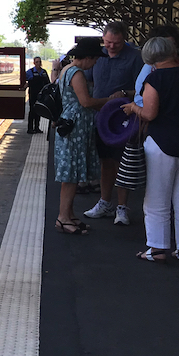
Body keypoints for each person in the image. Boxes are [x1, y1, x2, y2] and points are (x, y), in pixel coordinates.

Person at [121, 37, 179, 262]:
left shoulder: (155, 78)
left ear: (150, 58)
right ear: (173, 52)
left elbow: (150, 113)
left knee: (157, 199)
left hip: (162, 144)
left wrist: (134, 107)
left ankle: (158, 248)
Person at [54, 38, 118, 234]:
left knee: (71, 174)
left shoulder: (66, 70)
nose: (96, 63)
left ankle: (70, 214)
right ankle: (63, 217)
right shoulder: (77, 74)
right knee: (72, 175)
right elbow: (86, 102)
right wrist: (110, 100)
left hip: (71, 124)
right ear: (88, 57)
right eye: (96, 59)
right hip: (77, 128)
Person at [84, 22, 144, 226]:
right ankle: (105, 202)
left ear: (124, 40)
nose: (111, 47)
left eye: (116, 43)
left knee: (123, 163)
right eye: (108, 42)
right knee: (105, 162)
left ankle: (122, 206)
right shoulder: (98, 56)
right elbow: (87, 79)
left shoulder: (135, 57)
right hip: (101, 119)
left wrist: (126, 94)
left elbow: (145, 89)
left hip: (124, 119)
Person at [25, 56, 50, 133]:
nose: (38, 63)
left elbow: (48, 83)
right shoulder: (30, 72)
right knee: (32, 111)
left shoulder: (44, 72)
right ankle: (30, 128)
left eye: (39, 62)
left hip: (41, 95)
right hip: (33, 94)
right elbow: (24, 80)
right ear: (34, 63)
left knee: (39, 110)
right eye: (37, 62)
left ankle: (37, 127)